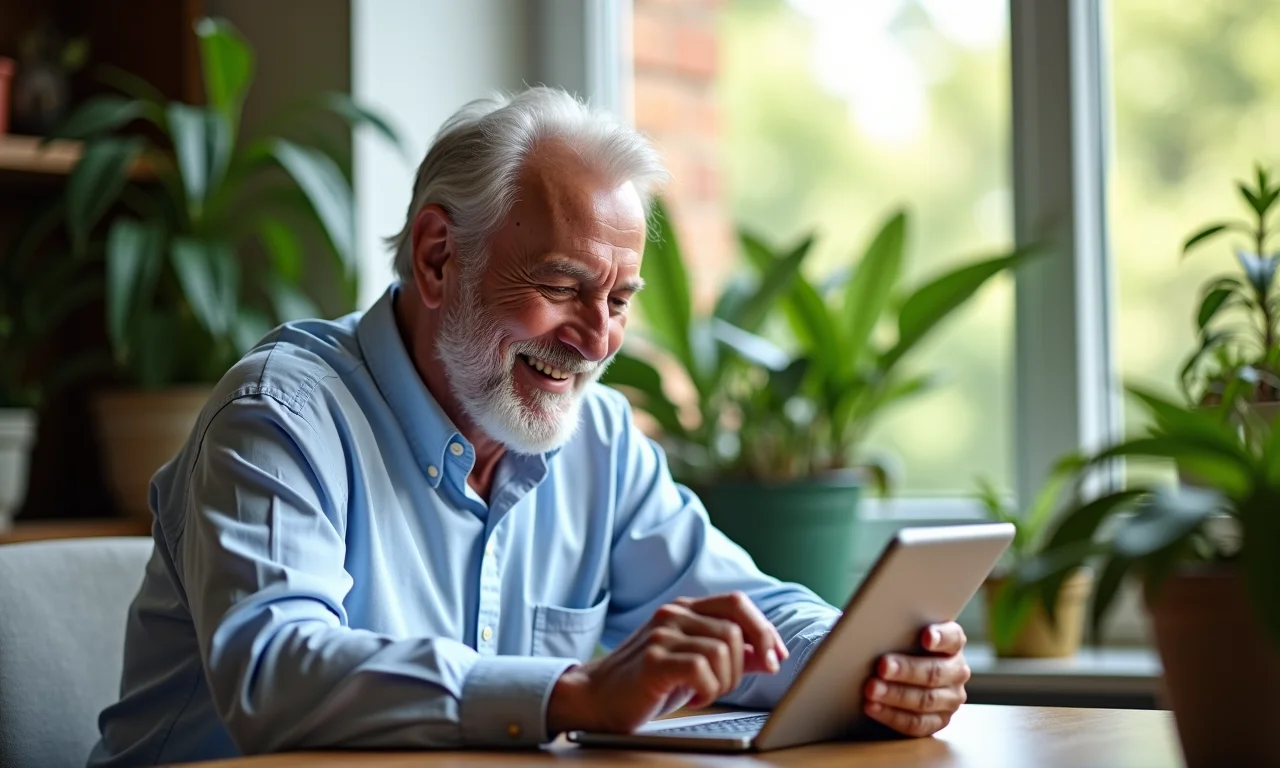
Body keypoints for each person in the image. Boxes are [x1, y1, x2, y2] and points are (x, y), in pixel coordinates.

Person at [88, 86, 970, 767]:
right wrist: (575, 692)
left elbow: (749, 614)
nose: (595, 340)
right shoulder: (279, 416)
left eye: (619, 299)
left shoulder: (600, 440)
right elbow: (274, 672)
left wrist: (877, 663)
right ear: (439, 258)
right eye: (561, 287)